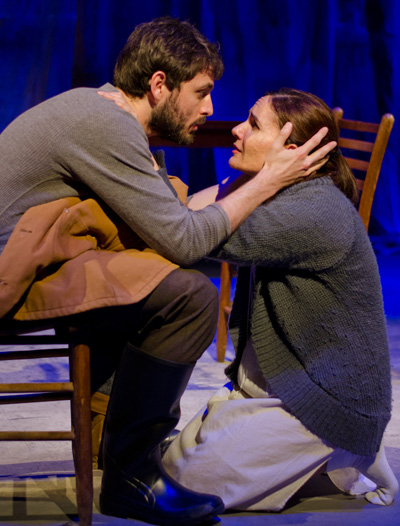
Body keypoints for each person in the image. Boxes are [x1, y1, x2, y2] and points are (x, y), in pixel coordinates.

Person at [0, 15, 335, 526]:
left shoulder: (107, 115)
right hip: (10, 275)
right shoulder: (104, 122)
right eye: (201, 91)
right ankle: (132, 475)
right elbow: (183, 240)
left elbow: (165, 212)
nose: (211, 108)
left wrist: (238, 183)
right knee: (189, 295)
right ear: (160, 85)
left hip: (31, 263)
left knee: (142, 272)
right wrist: (265, 183)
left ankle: (110, 447)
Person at [163, 88, 399, 512]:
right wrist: (256, 179)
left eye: (253, 124)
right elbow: (194, 212)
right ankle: (282, 455)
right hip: (280, 385)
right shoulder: (276, 192)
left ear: (291, 150)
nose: (236, 129)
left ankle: (328, 458)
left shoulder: (311, 212)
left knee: (188, 486)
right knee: (167, 463)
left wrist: (255, 183)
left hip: (325, 400)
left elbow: (190, 233)